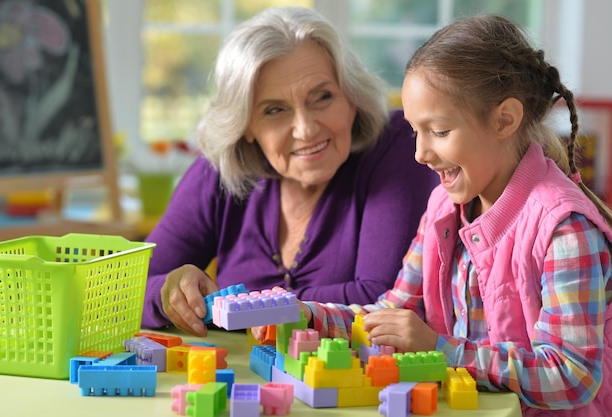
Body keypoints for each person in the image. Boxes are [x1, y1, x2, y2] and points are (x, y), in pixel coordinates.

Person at [254, 14, 612, 416]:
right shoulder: (444, 207)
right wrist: (306, 315)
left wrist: (439, 348)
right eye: (414, 131)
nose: (420, 154)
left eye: (439, 131)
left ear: (504, 119)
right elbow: (394, 315)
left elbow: (572, 376)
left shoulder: (564, 229)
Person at [141, 7, 438, 336]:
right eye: (275, 110)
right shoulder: (221, 169)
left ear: (351, 97)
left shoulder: (395, 144)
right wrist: (168, 293)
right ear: (246, 125)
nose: (306, 129)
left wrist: (238, 307)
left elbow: (380, 300)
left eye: (322, 97)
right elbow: (126, 291)